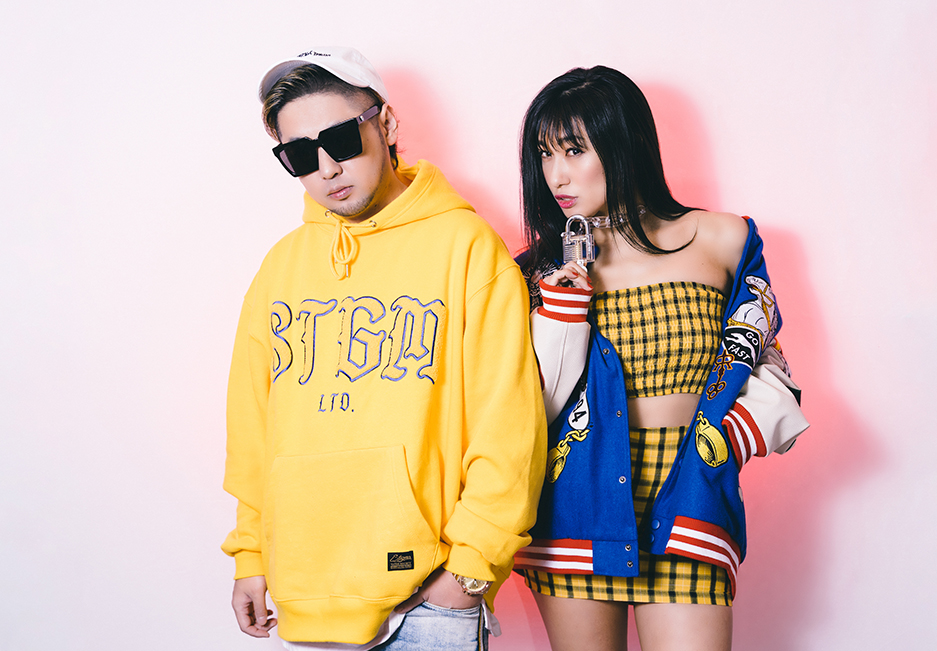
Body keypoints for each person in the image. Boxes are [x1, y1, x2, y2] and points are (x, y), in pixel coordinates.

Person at [221, 47, 547, 651]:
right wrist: (251, 556)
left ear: (388, 124)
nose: (327, 168)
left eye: (341, 139)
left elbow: (509, 424)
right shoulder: (281, 268)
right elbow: (253, 431)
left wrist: (471, 569)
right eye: (300, 155)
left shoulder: (466, 248)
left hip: (428, 603)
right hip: (306, 597)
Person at [511, 66, 809, 650]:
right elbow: (525, 412)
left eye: (574, 149)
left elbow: (767, 362)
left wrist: (724, 445)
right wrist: (562, 311)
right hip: (575, 504)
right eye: (544, 155)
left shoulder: (722, 240)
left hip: (689, 495)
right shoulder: (536, 273)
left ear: (624, 143)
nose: (556, 175)